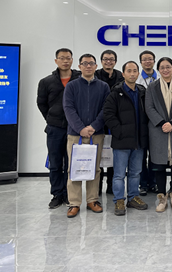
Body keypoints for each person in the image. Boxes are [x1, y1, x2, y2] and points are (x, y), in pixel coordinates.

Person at [63, 54, 110, 218]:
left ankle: (92, 200)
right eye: (85, 63)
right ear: (79, 66)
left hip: (96, 134)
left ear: (96, 66)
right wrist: (81, 128)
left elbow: (106, 109)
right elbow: (68, 108)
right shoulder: (71, 86)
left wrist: (93, 126)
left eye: (91, 63)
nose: (88, 66)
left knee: (95, 168)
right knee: (74, 168)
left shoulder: (103, 86)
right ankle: (74, 203)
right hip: (75, 134)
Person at [103, 61, 150, 216]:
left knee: (135, 172)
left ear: (138, 73)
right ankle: (119, 200)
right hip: (122, 141)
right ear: (123, 74)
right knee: (119, 174)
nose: (132, 73)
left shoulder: (142, 92)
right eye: (129, 71)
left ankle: (133, 197)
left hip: (139, 141)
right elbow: (108, 115)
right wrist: (120, 131)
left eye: (135, 71)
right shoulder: (116, 93)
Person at [37, 48, 80, 209]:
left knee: (71, 164)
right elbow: (41, 103)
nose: (65, 61)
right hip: (54, 128)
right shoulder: (46, 82)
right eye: (62, 58)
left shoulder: (80, 79)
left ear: (72, 60)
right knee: (55, 163)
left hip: (74, 128)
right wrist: (51, 118)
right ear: (56, 61)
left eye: (68, 58)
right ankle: (57, 194)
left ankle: (69, 194)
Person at [145, 57, 172, 213]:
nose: (165, 70)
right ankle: (162, 197)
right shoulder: (152, 86)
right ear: (158, 69)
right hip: (158, 130)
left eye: (168, 67)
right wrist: (162, 122)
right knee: (159, 166)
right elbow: (149, 107)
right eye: (162, 67)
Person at [95, 49, 124, 195]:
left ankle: (112, 186)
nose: (108, 61)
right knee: (99, 156)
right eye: (105, 59)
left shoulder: (120, 76)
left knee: (114, 155)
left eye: (111, 59)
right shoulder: (95, 75)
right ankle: (97, 187)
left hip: (115, 121)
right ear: (101, 61)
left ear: (115, 61)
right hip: (98, 120)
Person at [136, 50, 158, 195]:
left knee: (155, 156)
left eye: (150, 59)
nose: (147, 61)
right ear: (141, 62)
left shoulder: (161, 77)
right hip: (141, 123)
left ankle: (154, 182)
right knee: (141, 155)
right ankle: (143, 184)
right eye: (144, 59)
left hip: (157, 123)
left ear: (154, 61)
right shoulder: (136, 79)